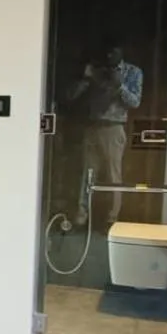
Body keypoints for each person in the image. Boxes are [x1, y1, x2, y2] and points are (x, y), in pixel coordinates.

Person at [66, 43, 142, 225]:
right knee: (87, 174)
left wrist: (119, 86)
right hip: (92, 125)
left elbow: (135, 102)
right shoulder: (95, 71)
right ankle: (81, 217)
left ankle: (111, 218)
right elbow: (71, 96)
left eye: (114, 51)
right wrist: (87, 78)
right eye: (106, 52)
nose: (109, 55)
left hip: (114, 126)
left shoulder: (132, 72)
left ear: (121, 52)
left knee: (113, 175)